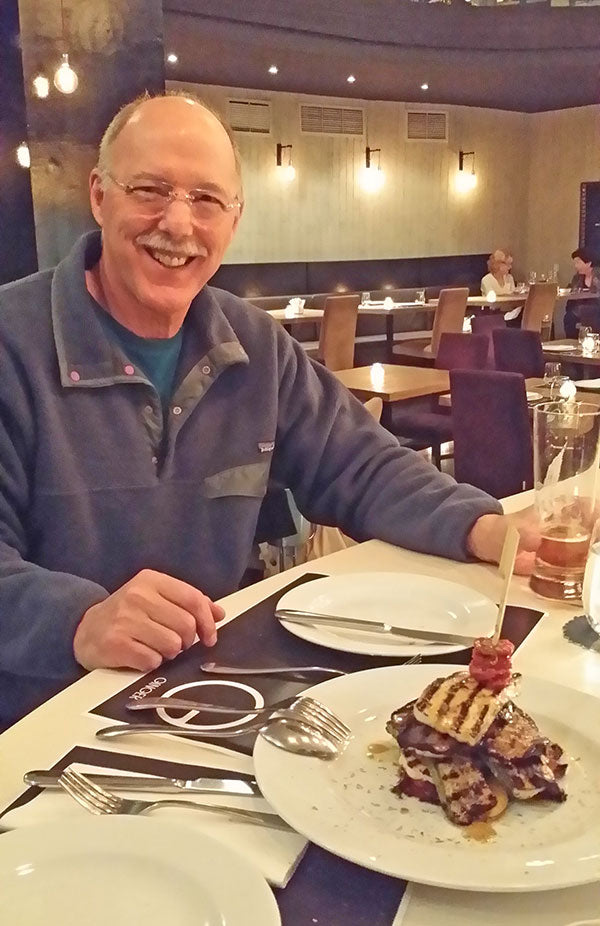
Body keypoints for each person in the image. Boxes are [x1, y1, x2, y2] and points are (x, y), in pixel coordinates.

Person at [0, 92, 539, 728]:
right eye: (149, 189)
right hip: (44, 721)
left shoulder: (253, 344)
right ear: (98, 196)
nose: (177, 224)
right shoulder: (14, 344)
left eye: (206, 200)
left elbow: (358, 465)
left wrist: (481, 527)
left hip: (212, 696)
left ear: (234, 218)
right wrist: (78, 621)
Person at [563, 247, 600, 339]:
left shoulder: (598, 275)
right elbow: (571, 289)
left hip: (596, 307)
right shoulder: (577, 277)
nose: (576, 266)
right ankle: (572, 342)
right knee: (569, 317)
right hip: (579, 308)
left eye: (578, 262)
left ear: (588, 263)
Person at [481, 249, 521, 325]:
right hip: (493, 315)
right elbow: (492, 300)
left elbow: (514, 298)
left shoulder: (509, 278)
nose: (510, 267)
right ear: (498, 265)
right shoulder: (487, 280)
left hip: (511, 313)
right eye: (508, 264)